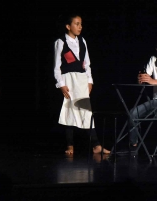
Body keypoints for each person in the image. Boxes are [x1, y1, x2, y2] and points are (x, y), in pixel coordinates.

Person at [54, 13, 110, 155]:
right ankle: (70, 145)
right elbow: (56, 66)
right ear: (68, 26)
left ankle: (96, 145)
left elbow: (87, 63)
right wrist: (60, 83)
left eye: (81, 24)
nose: (80, 26)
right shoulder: (61, 42)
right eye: (76, 24)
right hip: (69, 80)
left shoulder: (82, 41)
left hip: (81, 80)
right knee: (69, 110)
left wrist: (89, 81)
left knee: (86, 111)